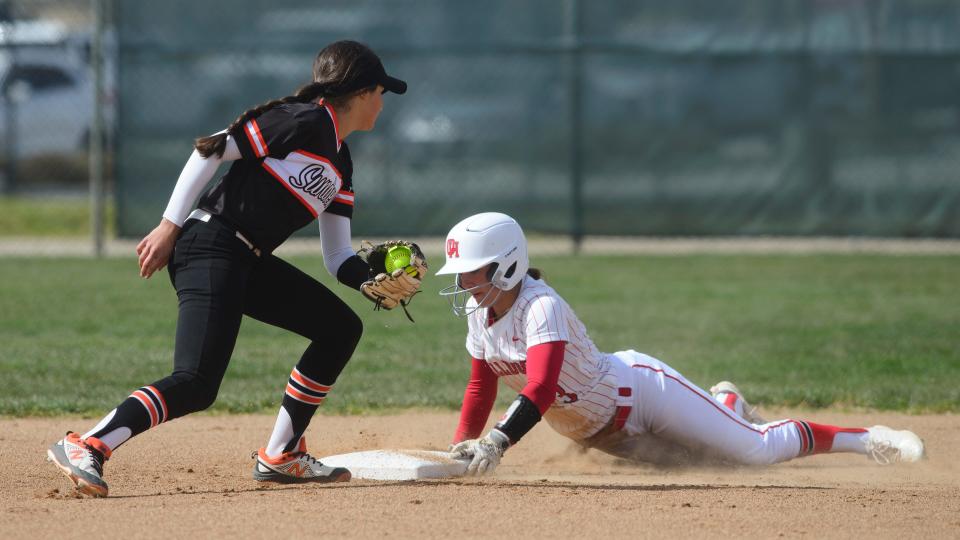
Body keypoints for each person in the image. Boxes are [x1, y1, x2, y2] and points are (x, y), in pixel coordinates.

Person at [47, 41, 420, 497]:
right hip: (210, 243)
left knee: (340, 327)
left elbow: (337, 256)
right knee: (197, 383)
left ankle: (281, 454)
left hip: (247, 259)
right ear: (363, 92)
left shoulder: (340, 162)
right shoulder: (303, 120)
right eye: (382, 92)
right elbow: (210, 150)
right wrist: (170, 225)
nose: (384, 104)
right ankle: (88, 444)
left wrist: (371, 282)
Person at [436, 212, 926, 475]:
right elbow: (480, 387)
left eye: (469, 272)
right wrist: (462, 446)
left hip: (644, 394)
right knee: (711, 466)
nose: (462, 284)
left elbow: (541, 387)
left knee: (756, 453)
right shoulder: (482, 315)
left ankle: (868, 439)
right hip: (602, 433)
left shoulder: (540, 306)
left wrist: (498, 441)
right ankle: (726, 403)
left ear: (507, 263)